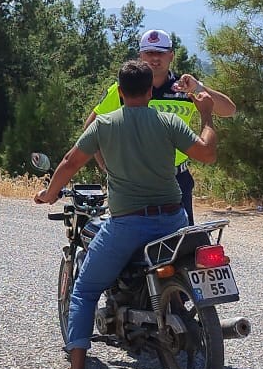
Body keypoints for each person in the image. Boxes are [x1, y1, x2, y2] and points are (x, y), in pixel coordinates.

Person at [35, 61, 218, 369]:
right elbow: (206, 154)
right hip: (173, 219)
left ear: (119, 92)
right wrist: (206, 116)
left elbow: (70, 162)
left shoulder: (104, 124)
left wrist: (49, 194)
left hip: (128, 224)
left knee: (85, 290)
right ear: (150, 91)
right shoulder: (168, 121)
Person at [87, 28, 235, 225]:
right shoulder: (125, 89)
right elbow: (92, 126)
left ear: (171, 55)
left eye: (160, 53)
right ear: (140, 55)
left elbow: (229, 110)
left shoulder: (184, 89)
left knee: (182, 246)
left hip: (177, 178)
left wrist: (198, 88)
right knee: (132, 240)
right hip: (132, 180)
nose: (154, 58)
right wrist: (105, 166)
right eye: (149, 53)